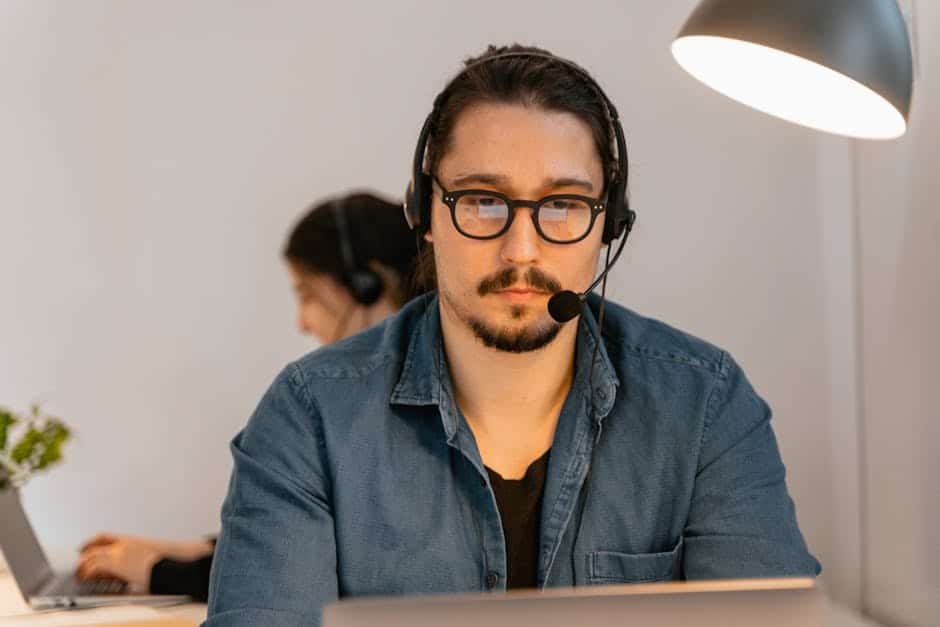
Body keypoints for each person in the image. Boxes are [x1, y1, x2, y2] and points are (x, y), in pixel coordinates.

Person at [205, 44, 820, 625]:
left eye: (563, 205)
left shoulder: (704, 406)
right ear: (424, 213)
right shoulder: (310, 416)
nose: (520, 249)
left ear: (609, 225)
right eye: (481, 201)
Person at [74, 192, 421, 601]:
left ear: (368, 286)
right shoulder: (358, 399)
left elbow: (305, 571)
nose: (302, 322)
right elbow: (291, 538)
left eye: (308, 295)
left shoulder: (402, 412)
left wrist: (155, 570)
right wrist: (173, 551)